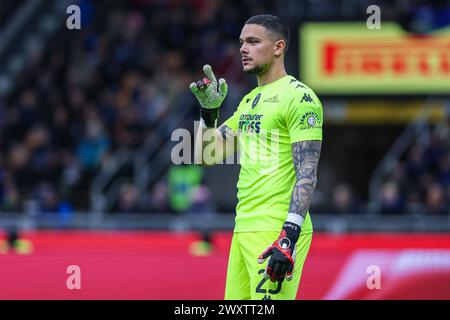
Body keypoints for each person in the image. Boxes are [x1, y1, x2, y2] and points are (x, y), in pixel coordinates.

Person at [190, 14, 323, 300]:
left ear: (278, 47)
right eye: (241, 42)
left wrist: (288, 236)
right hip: (243, 227)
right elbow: (207, 157)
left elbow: (308, 172)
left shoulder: (299, 97)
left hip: (276, 230)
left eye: (253, 41)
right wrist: (208, 115)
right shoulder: (250, 101)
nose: (243, 49)